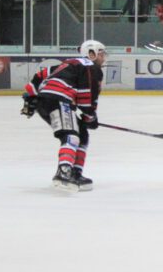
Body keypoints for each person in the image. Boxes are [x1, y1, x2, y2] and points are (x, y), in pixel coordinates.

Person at [21, 40, 106, 192]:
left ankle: (75, 173)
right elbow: (88, 97)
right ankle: (64, 172)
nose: (104, 57)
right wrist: (90, 117)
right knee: (71, 136)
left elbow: (40, 75)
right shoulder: (92, 68)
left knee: (81, 133)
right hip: (59, 100)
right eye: (101, 53)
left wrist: (30, 97)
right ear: (91, 54)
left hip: (46, 101)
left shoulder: (67, 63)